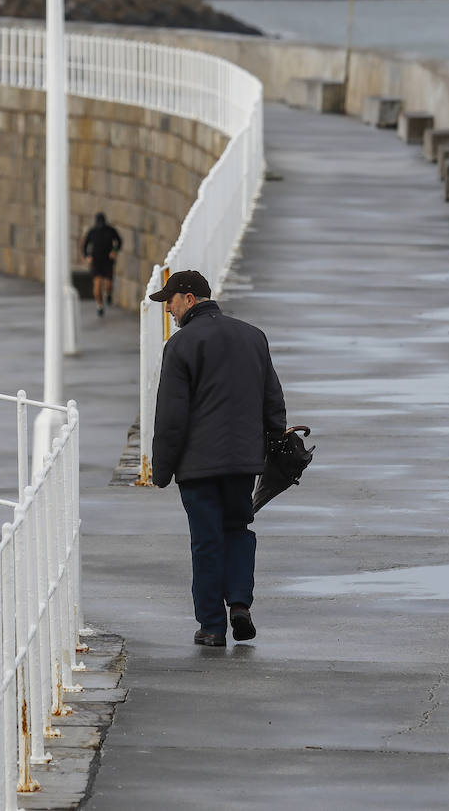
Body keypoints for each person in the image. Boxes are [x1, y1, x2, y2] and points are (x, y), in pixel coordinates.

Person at [150, 270, 287, 648]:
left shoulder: (180, 346)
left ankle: (212, 626)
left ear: (190, 298)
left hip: (198, 467)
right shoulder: (252, 337)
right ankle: (240, 605)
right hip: (243, 462)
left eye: (172, 302)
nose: (169, 310)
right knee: (238, 530)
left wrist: (161, 469)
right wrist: (275, 443)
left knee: (206, 541)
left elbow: (171, 416)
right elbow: (272, 399)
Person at [82, 213, 122, 316]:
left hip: (108, 261)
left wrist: (114, 251)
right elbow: (85, 245)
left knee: (108, 284)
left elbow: (119, 241)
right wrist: (87, 256)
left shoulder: (110, 230)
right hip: (96, 262)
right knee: (97, 285)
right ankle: (99, 305)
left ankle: (108, 294)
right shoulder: (92, 232)